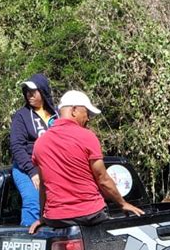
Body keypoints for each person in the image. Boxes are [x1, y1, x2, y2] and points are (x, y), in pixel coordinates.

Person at [28, 90, 144, 232]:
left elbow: (43, 186)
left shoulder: (40, 143)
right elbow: (102, 179)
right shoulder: (87, 137)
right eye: (87, 113)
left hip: (56, 218)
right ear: (74, 110)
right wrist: (122, 203)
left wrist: (42, 217)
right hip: (89, 214)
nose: (88, 118)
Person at [10, 74, 58, 227]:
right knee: (33, 200)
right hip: (26, 168)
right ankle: (29, 238)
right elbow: (17, 146)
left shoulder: (57, 114)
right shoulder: (21, 116)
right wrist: (32, 171)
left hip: (51, 166)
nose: (29, 95)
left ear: (42, 91)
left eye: (33, 91)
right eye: (27, 91)